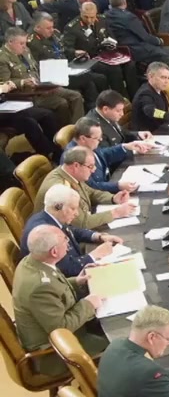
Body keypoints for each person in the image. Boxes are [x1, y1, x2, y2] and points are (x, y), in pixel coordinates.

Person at [13, 225, 106, 376]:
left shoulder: (32, 262)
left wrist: (78, 281)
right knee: (119, 340)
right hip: (55, 353)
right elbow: (61, 328)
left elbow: (55, 286)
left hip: (61, 334)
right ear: (54, 252)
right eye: (64, 240)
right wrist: (89, 304)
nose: (68, 243)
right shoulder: (39, 286)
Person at [22, 183, 120, 277]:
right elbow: (67, 269)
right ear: (57, 207)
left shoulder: (49, 217)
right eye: (73, 208)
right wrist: (95, 254)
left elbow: (72, 230)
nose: (77, 213)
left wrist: (98, 236)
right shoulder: (45, 233)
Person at [0, 27, 86, 125]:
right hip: (28, 94)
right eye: (21, 43)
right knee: (62, 103)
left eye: (25, 43)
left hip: (42, 85)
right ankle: (64, 130)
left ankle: (78, 128)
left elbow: (35, 68)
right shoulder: (2, 59)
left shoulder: (26, 50)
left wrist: (49, 73)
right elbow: (4, 84)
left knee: (76, 96)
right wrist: (22, 82)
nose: (24, 46)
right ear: (10, 42)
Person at [35, 146, 135, 230]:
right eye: (90, 166)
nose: (94, 170)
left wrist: (112, 198)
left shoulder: (69, 174)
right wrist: (115, 213)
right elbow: (82, 223)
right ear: (76, 166)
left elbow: (90, 192)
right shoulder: (61, 190)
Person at [28, 11, 109, 104]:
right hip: (53, 75)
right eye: (48, 28)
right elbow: (36, 66)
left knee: (98, 76)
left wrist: (74, 52)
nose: (52, 30)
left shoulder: (54, 34)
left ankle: (99, 105)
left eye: (52, 27)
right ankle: (99, 106)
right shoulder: (33, 43)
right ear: (37, 28)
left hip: (66, 68)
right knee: (89, 79)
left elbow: (62, 49)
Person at [66, 1, 139, 95]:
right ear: (80, 12)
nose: (89, 20)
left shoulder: (102, 20)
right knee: (114, 69)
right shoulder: (72, 27)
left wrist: (112, 43)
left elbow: (112, 36)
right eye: (86, 17)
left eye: (92, 17)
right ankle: (119, 97)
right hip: (90, 58)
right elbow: (66, 49)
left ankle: (135, 95)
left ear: (96, 13)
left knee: (130, 65)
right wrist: (75, 52)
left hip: (106, 53)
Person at [67, 117, 149, 194]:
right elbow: (90, 187)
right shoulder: (75, 158)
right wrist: (117, 186)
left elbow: (103, 154)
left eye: (100, 137)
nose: (100, 140)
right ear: (83, 138)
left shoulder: (88, 144)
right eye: (97, 138)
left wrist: (126, 147)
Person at [104, 0, 169, 69]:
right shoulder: (128, 17)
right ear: (124, 1)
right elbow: (145, 37)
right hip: (137, 50)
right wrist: (159, 41)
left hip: (122, 51)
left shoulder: (106, 16)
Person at [132, 62, 169, 133]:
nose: (166, 81)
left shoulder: (159, 89)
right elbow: (150, 111)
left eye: (168, 78)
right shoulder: (145, 93)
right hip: (149, 133)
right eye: (163, 77)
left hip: (161, 128)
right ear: (151, 76)